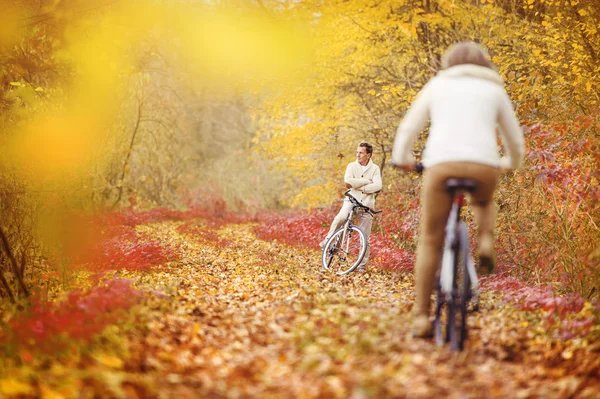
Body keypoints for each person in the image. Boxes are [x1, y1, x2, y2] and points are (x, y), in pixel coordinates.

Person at [390, 41, 525, 337]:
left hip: (441, 165)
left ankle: (422, 317)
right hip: (484, 165)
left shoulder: (437, 86)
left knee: (430, 240)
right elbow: (515, 140)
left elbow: (408, 129)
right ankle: (485, 239)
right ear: (484, 63)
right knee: (483, 201)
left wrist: (403, 160)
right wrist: (509, 163)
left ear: (448, 62)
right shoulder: (494, 90)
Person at [320, 141, 382, 273]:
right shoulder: (351, 166)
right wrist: (366, 182)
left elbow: (378, 186)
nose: (358, 155)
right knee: (341, 218)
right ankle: (327, 241)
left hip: (367, 205)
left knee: (365, 237)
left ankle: (361, 266)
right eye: (357, 152)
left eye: (361, 152)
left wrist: (360, 187)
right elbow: (348, 182)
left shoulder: (375, 169)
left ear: (368, 155)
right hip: (351, 200)